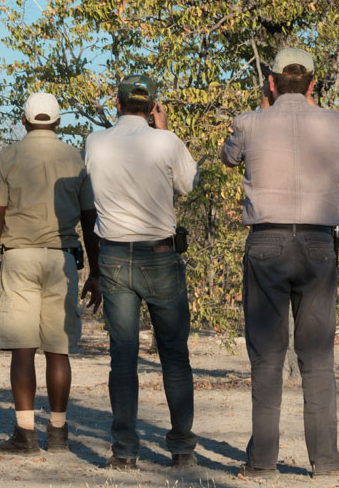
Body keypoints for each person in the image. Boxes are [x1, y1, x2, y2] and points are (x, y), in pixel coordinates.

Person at [220, 47, 339, 478]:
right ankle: (327, 463)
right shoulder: (334, 122)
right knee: (317, 360)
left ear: (272, 82)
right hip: (318, 244)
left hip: (267, 242)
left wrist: (265, 107)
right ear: (313, 83)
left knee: (267, 358)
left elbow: (228, 157)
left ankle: (262, 463)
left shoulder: (249, 121)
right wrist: (308, 105)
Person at [84, 75, 199, 471]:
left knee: (123, 356)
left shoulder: (95, 141)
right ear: (152, 107)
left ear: (117, 104)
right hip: (160, 255)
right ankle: (182, 449)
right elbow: (187, 185)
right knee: (174, 355)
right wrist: (164, 131)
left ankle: (124, 452)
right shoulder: (166, 141)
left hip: (114, 256)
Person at [0, 92, 100, 454]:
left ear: (24, 120)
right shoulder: (75, 158)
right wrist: (95, 272)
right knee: (58, 352)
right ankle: (59, 434)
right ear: (58, 121)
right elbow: (90, 219)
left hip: (18, 259)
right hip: (62, 259)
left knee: (23, 349)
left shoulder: (7, 157)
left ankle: (25, 434)